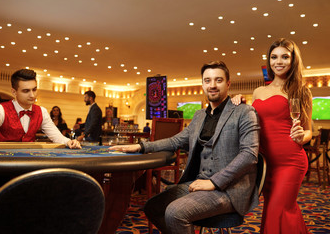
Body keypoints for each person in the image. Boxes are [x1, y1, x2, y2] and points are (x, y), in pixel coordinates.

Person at [109, 61, 260, 234]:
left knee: (175, 213)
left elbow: (249, 154)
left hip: (229, 190)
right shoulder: (199, 115)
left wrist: (213, 182)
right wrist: (141, 146)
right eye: (207, 80)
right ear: (202, 84)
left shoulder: (244, 111)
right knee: (153, 207)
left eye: (218, 80)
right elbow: (175, 141)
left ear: (228, 84)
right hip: (198, 182)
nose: (212, 85)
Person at [232, 38, 312, 234]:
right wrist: (239, 102)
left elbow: (309, 129)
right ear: (269, 61)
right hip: (264, 163)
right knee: (277, 209)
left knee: (279, 208)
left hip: (291, 161)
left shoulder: (301, 91)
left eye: (285, 57)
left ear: (293, 60)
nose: (279, 61)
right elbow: (251, 123)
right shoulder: (259, 91)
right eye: (274, 57)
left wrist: (303, 136)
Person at [0, 69, 81, 150]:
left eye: (34, 89)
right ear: (14, 92)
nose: (32, 95)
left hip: (29, 162)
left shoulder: (41, 111)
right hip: (1, 164)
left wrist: (69, 141)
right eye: (26, 91)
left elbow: (56, 136)